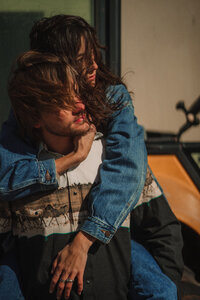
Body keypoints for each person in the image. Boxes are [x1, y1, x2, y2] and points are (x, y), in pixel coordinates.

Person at [0, 15, 183, 299]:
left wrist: (85, 240)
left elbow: (129, 173)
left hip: (111, 231)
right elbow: (5, 179)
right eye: (83, 58)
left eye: (94, 55)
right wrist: (69, 160)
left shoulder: (111, 98)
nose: (95, 65)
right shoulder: (29, 115)